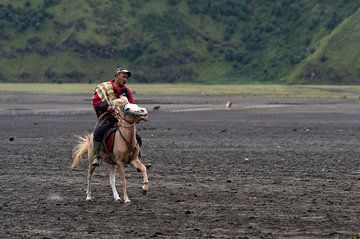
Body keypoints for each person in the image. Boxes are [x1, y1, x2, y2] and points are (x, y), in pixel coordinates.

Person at [91, 66, 148, 168]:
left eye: (127, 78)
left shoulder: (127, 91)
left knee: (136, 137)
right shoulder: (105, 88)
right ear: (117, 76)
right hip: (108, 117)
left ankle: (138, 158)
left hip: (123, 119)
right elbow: (97, 104)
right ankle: (97, 156)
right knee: (99, 131)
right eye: (123, 77)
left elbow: (131, 106)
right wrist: (107, 107)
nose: (125, 79)